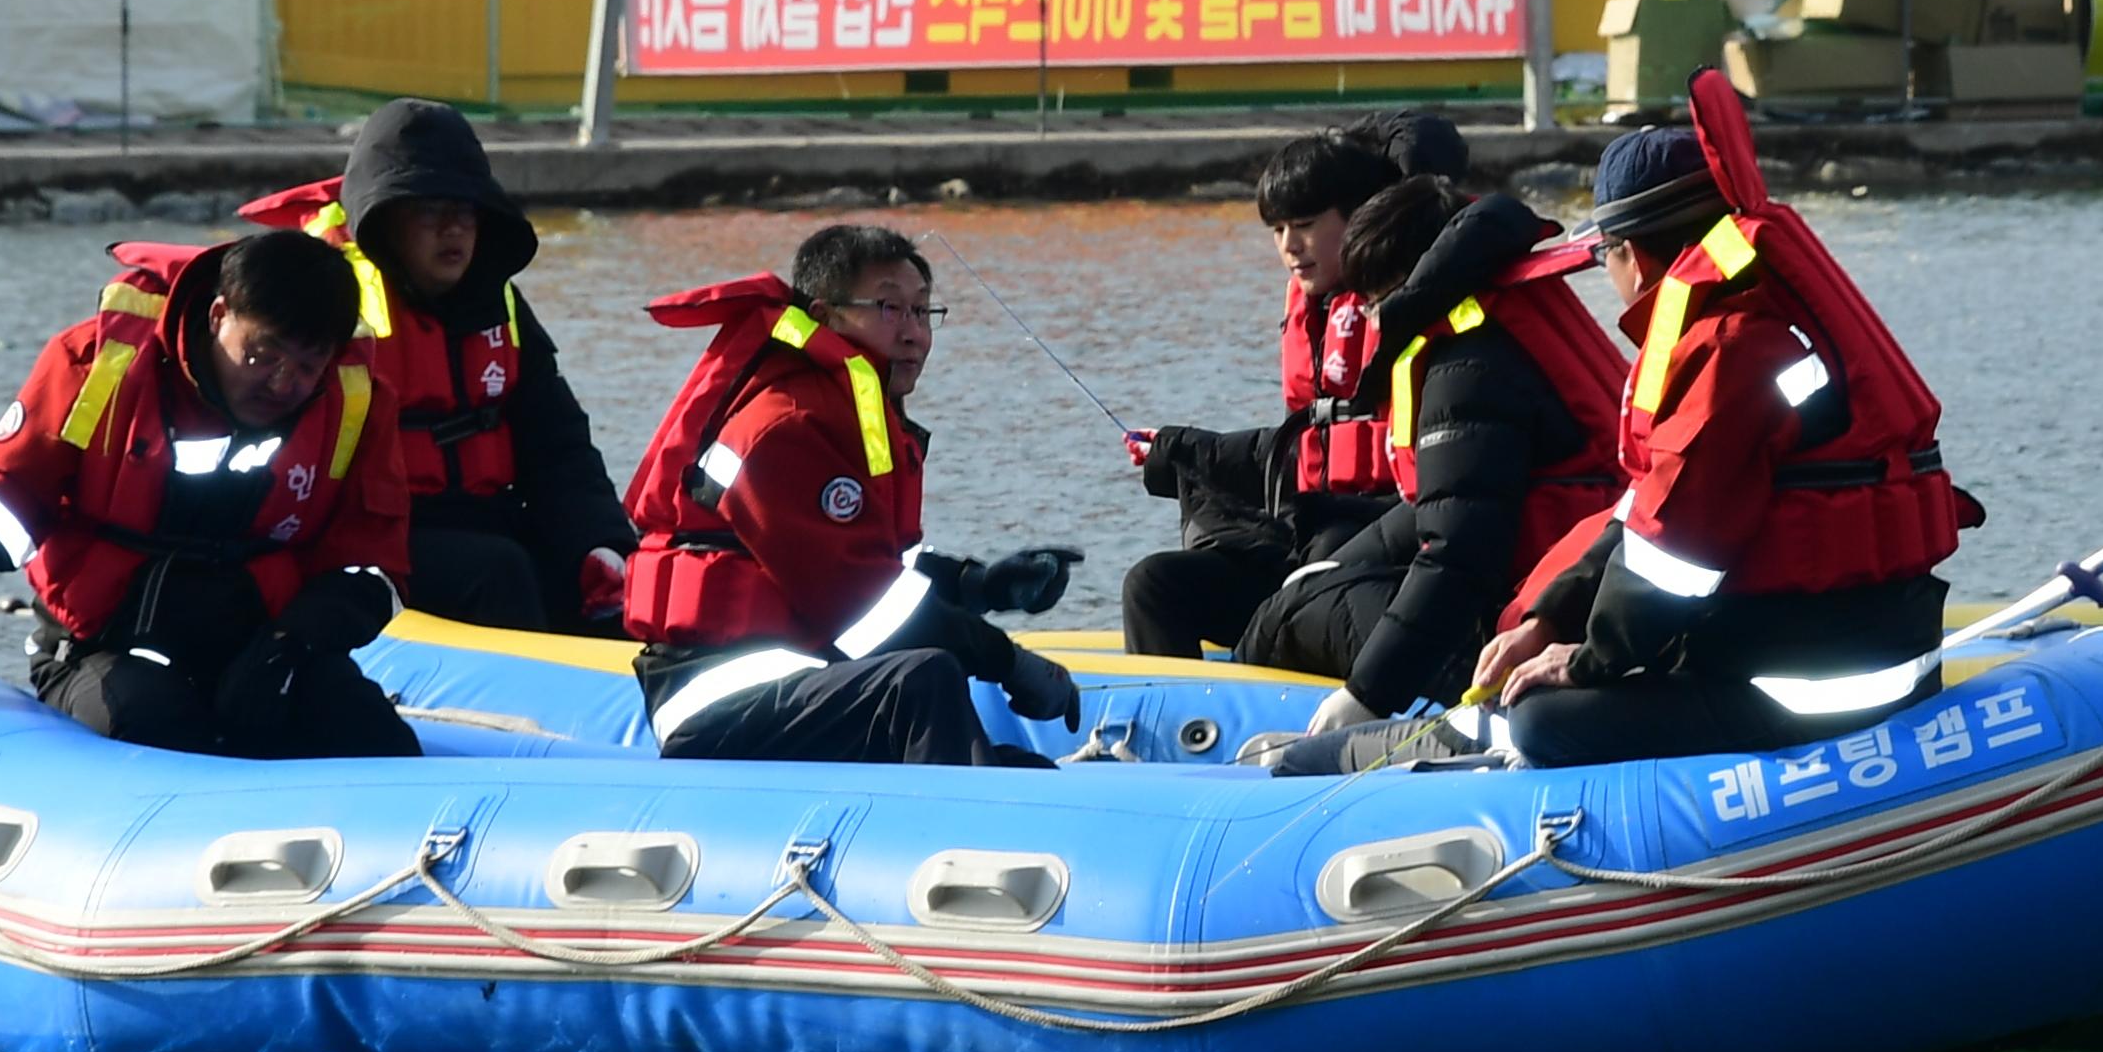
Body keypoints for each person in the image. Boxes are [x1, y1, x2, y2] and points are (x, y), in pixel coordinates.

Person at [1458, 84, 1984, 769]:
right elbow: (1647, 509)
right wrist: (1551, 618)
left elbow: (1677, 557)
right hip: (1851, 650)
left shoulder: (1726, 352)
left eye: (1600, 257)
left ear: (1634, 259)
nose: (1604, 272)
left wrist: (1586, 663)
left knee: (1540, 722)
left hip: (1805, 692)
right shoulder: (1755, 322)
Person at [0, 227, 420, 760]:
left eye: (307, 363)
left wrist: (289, 649)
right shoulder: (98, 367)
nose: (281, 382)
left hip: (267, 650)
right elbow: (4, 498)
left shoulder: (357, 403)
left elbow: (369, 564)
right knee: (156, 726)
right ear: (218, 316)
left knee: (371, 736)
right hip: (105, 650)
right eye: (262, 354)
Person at [619, 222, 1087, 766]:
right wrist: (1008, 662)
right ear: (823, 316)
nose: (914, 333)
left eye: (923, 311)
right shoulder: (787, 426)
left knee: (1020, 768)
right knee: (924, 676)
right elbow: (868, 613)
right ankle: (950, 835)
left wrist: (979, 585)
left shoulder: (845, 413)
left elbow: (871, 565)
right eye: (890, 309)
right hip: (722, 704)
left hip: (808, 678)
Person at [1238, 173, 1629, 765]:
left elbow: (1457, 558)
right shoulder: (1499, 322)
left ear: (1405, 283)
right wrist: (1338, 565)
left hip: (1517, 624)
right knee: (1316, 582)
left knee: (1288, 613)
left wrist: (1366, 696)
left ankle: (1239, 740)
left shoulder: (1464, 368)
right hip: (1576, 594)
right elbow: (1447, 502)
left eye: (1370, 300)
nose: (1367, 317)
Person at [239, 99, 635, 634]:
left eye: (466, 208)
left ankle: (627, 706)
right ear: (384, 219)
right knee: (498, 572)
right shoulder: (329, 303)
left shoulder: (504, 307)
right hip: (366, 537)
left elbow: (559, 447)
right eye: (429, 209)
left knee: (614, 580)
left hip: (487, 516)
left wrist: (601, 542)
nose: (453, 228)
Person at [1119, 128, 1406, 657]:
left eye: (1304, 225)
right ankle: (1177, 729)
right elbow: (1304, 442)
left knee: (1298, 598)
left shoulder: (1408, 306)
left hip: (1385, 538)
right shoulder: (1312, 308)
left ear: (1358, 219)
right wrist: (1180, 448)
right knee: (1153, 584)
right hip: (1308, 529)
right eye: (1277, 230)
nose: (1289, 247)